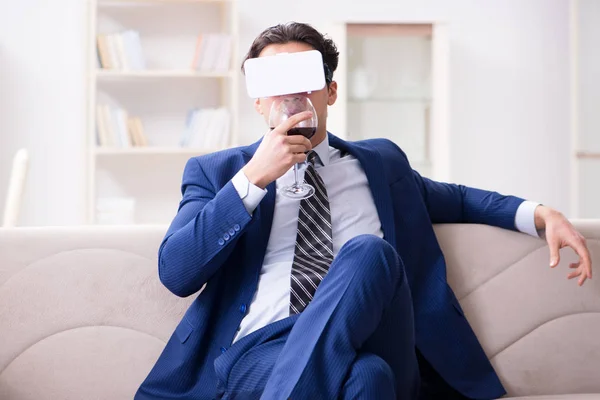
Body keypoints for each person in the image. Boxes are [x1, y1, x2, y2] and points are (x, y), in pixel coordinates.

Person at [135, 22, 593, 400]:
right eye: (274, 83)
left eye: (303, 79)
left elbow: (455, 197)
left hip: (378, 331)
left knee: (368, 254)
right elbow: (176, 272)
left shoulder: (379, 163)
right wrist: (253, 179)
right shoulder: (219, 172)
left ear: (330, 92)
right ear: (257, 100)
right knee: (368, 381)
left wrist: (540, 213)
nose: (290, 96)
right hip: (261, 350)